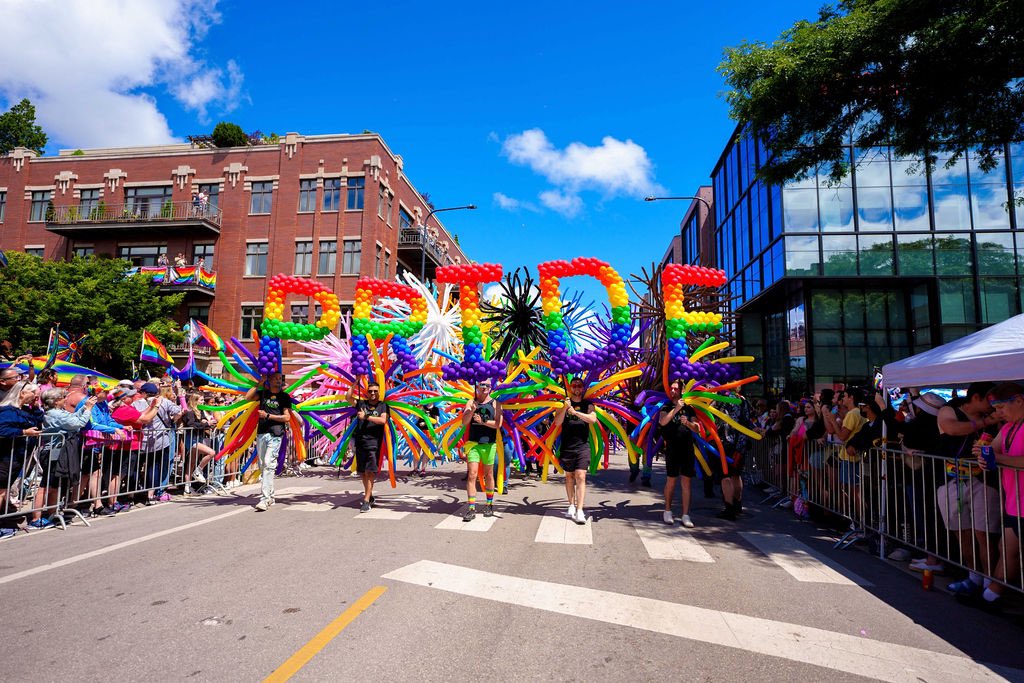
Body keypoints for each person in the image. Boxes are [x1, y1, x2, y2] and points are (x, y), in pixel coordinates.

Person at [934, 382, 1000, 597]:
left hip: (983, 481)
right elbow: (951, 428)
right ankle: (974, 577)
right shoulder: (949, 409)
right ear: (976, 397)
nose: (993, 405)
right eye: (989, 400)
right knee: (961, 532)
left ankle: (989, 584)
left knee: (984, 533)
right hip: (952, 480)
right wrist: (984, 422)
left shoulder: (997, 417)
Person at [967, 382, 1024, 612]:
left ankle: (991, 596)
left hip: (1019, 503)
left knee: (1009, 550)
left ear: (1019, 401)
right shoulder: (1008, 427)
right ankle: (990, 595)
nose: (997, 413)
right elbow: (993, 451)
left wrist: (994, 457)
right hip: (1014, 502)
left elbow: (1002, 456)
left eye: (1001, 407)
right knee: (1007, 549)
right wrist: (983, 456)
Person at [31, 387, 95, 529]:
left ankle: (51, 514)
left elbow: (71, 419)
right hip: (53, 452)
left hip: (60, 451)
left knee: (54, 486)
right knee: (46, 486)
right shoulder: (54, 414)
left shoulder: (59, 412)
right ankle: (36, 518)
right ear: (55, 401)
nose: (65, 399)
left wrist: (84, 407)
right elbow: (76, 424)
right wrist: (88, 409)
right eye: (62, 397)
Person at [245, 372, 293, 512]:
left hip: (276, 434)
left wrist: (268, 415)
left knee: (268, 464)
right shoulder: (263, 394)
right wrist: (259, 382)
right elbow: (248, 397)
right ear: (270, 380)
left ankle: (264, 499)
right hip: (262, 433)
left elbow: (286, 418)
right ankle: (271, 495)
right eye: (276, 378)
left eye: (280, 378)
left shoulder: (284, 397)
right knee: (263, 465)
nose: (278, 380)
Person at [0, 384, 44, 536]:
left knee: (5, 489)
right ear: (21, 392)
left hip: (18, 455)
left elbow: (38, 423)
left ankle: (5, 520)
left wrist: (37, 406)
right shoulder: (7, 410)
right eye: (32, 392)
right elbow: (2, 429)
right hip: (5, 455)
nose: (34, 394)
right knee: (1, 490)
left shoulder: (26, 410)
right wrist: (23, 432)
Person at [553, 377, 597, 524]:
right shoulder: (564, 404)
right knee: (569, 477)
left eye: (579, 385)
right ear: (571, 388)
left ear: (583, 388)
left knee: (581, 476)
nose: (577, 388)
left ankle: (579, 510)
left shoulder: (587, 404)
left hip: (582, 446)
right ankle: (571, 504)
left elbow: (592, 419)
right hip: (567, 446)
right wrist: (565, 408)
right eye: (574, 385)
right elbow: (557, 423)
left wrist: (576, 413)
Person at [659, 379, 700, 528]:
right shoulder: (666, 406)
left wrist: (688, 423)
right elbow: (663, 422)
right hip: (672, 448)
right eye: (671, 388)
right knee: (671, 480)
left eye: (676, 389)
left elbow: (697, 428)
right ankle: (667, 511)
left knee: (686, 482)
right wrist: (676, 409)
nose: (673, 391)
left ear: (682, 390)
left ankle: (685, 515)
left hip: (687, 448)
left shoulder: (689, 408)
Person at [132, 382, 182, 504]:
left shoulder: (136, 403)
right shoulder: (164, 402)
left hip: (141, 440)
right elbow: (179, 410)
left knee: (136, 468)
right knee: (154, 467)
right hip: (160, 440)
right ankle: (150, 495)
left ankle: (132, 495)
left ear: (143, 392)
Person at [461, 379, 502, 521]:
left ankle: (489, 504)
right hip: (473, 444)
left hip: (489, 444)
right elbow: (464, 422)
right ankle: (471, 508)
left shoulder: (496, 403)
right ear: (477, 386)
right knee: (472, 474)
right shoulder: (470, 402)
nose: (485, 387)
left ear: (491, 388)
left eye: (487, 385)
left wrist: (483, 421)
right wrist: (471, 411)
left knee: (489, 475)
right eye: (482, 384)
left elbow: (498, 424)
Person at [346, 383, 389, 512]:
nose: (373, 393)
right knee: (363, 472)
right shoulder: (361, 404)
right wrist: (356, 382)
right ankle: (369, 496)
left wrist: (366, 416)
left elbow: (383, 421)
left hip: (373, 443)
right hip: (360, 442)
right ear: (367, 392)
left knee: (370, 472)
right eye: (370, 391)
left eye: (375, 391)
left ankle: (366, 501)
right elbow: (348, 397)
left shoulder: (383, 406)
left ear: (379, 392)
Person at [181, 393, 217, 489]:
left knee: (191, 463)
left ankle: (187, 488)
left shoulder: (200, 411)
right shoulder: (189, 411)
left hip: (198, 438)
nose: (203, 402)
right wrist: (205, 424)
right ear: (195, 401)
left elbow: (203, 421)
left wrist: (208, 423)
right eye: (201, 400)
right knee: (211, 452)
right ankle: (198, 470)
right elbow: (191, 424)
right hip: (192, 439)